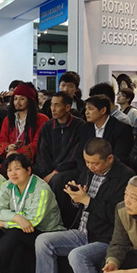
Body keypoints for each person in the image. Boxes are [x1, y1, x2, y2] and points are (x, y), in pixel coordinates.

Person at [25, 138, 134, 273]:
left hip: (107, 238)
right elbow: (82, 204)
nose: (90, 167)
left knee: (78, 256)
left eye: (95, 163)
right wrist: (76, 198)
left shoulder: (125, 177)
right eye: (87, 162)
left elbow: (118, 215)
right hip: (82, 231)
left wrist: (87, 201)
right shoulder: (89, 172)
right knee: (43, 241)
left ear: (110, 158)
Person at [35, 91, 85, 225]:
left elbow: (75, 154)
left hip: (70, 169)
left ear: (67, 107)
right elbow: (42, 152)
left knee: (58, 180)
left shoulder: (80, 126)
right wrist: (46, 172)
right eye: (52, 105)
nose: (53, 109)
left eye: (57, 105)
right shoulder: (47, 126)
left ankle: (59, 221)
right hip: (49, 169)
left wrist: (55, 172)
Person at [0, 82, 49, 165]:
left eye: (22, 99)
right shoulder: (8, 119)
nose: (17, 102)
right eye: (15, 99)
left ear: (30, 100)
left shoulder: (42, 119)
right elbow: (2, 139)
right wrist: (8, 147)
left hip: (33, 163)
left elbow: (38, 143)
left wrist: (18, 152)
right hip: (10, 160)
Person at [76, 95, 133, 171]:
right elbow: (80, 154)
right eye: (86, 109)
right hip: (88, 171)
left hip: (113, 172)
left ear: (103, 110)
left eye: (90, 109)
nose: (86, 112)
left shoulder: (122, 129)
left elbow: (120, 157)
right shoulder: (85, 128)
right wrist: (88, 171)